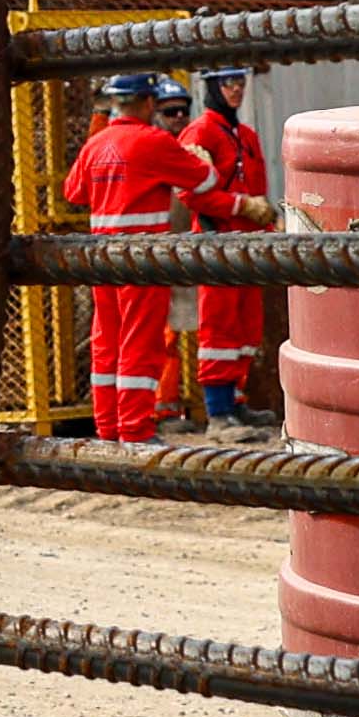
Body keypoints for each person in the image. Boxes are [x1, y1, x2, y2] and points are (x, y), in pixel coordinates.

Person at [63, 70, 213, 441]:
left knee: (106, 343)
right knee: (140, 342)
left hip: (101, 260)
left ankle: (108, 427)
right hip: (141, 260)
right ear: (148, 103)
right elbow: (205, 181)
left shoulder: (96, 144)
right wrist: (197, 157)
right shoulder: (154, 141)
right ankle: (134, 429)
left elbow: (74, 193)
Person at [184, 63, 276, 437]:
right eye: (228, 83)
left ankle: (236, 402)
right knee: (219, 327)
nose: (237, 89)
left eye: (240, 81)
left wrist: (266, 227)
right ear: (211, 86)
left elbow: (258, 192)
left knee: (247, 327)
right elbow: (191, 194)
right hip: (217, 244)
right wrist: (241, 206)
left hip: (247, 246)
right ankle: (218, 414)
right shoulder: (200, 133)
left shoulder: (247, 135)